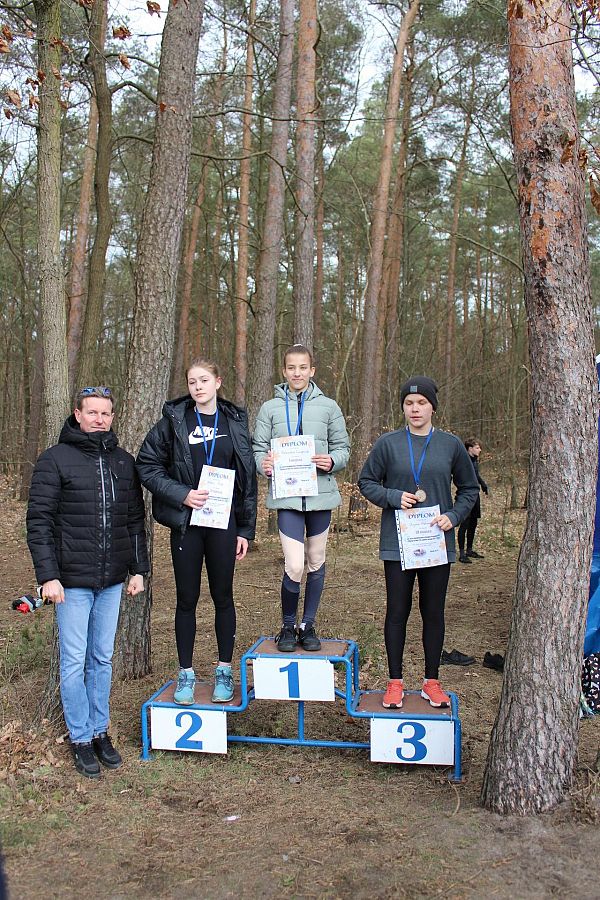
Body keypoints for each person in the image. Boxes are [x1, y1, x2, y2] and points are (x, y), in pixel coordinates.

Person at [26, 387, 149, 779]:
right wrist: (48, 576)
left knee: (102, 659)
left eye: (106, 413)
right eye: (92, 412)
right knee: (73, 661)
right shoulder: (55, 459)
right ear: (77, 415)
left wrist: (138, 570)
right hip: (71, 583)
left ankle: (99, 732)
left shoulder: (123, 462)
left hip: (112, 581)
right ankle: (80, 738)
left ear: (112, 417)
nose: (99, 419)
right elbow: (39, 522)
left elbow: (134, 521)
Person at [136, 359, 256, 706]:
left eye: (204, 380)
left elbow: (247, 478)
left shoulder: (234, 422)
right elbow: (147, 465)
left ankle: (224, 671)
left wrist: (245, 529)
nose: (198, 387)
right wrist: (181, 494)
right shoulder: (174, 422)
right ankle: (186, 674)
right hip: (187, 524)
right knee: (186, 599)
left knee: (223, 596)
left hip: (223, 524)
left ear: (218, 382)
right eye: (192, 382)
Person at [358, 376, 478, 709]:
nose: (415, 409)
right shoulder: (388, 444)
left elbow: (469, 489)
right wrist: (393, 496)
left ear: (432, 407)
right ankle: (395, 682)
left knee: (433, 611)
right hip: (398, 543)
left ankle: (431, 682)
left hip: (436, 542)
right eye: (409, 403)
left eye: (422, 403)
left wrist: (454, 516)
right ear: (403, 407)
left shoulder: (451, 445)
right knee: (397, 610)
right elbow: (366, 481)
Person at [252, 344, 350, 652]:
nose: (297, 373)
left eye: (303, 367)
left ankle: (307, 626)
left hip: (320, 496)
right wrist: (263, 464)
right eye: (291, 368)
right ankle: (287, 626)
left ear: (312, 370)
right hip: (288, 499)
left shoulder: (329, 407)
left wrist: (332, 461)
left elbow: (343, 448)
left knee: (316, 561)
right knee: (295, 565)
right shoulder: (270, 408)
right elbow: (257, 449)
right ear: (284, 371)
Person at [457, 437, 488, 563]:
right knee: (464, 523)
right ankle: (462, 553)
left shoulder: (475, 460)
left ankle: (469, 550)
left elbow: (476, 475)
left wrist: (483, 484)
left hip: (475, 495)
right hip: (465, 496)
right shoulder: (463, 461)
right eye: (477, 447)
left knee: (473, 522)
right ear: (470, 449)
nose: (480, 450)